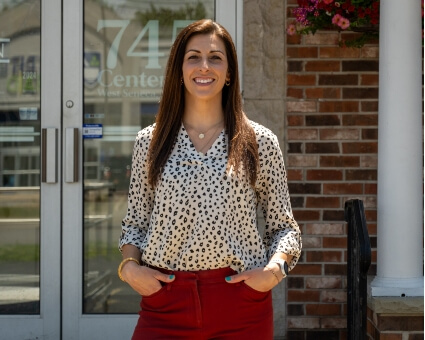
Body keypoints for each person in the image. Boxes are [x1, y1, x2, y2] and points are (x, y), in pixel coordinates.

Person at [118, 19, 302, 340]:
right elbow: (135, 223)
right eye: (193, 56)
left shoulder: (258, 141)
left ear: (229, 72)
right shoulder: (150, 141)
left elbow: (284, 227)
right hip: (165, 301)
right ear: (179, 69)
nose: (204, 66)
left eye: (215, 57)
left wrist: (274, 270)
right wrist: (130, 269)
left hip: (240, 302)